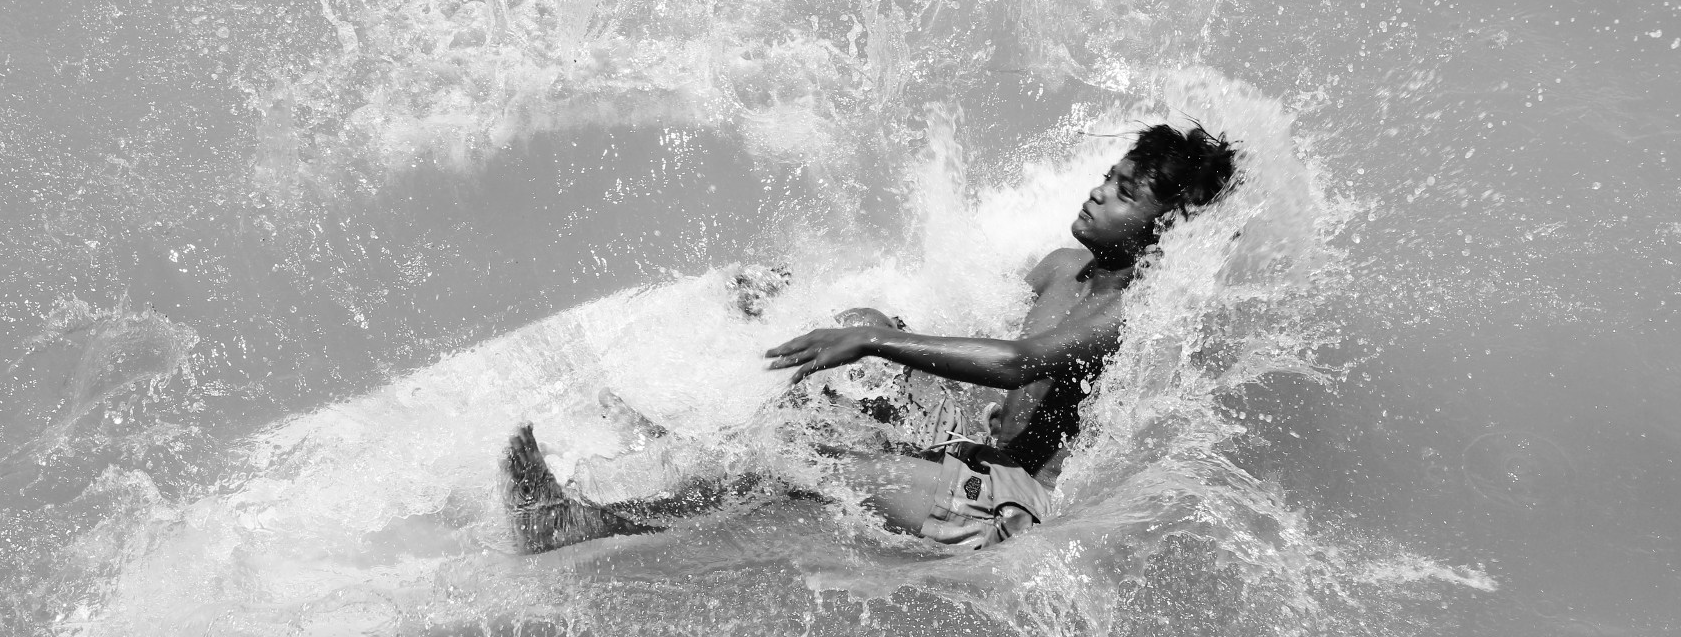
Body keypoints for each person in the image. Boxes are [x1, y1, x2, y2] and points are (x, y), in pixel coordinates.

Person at [500, 123, 1238, 553]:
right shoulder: (1062, 267)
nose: (1100, 191)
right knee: (863, 324)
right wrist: (837, 316)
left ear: (1163, 228)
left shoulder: (1127, 314)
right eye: (1110, 175)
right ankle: (696, 451)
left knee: (811, 456)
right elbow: (971, 322)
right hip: (974, 441)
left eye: (1125, 194)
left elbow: (1018, 364)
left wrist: (878, 354)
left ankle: (583, 523)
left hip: (1008, 499)